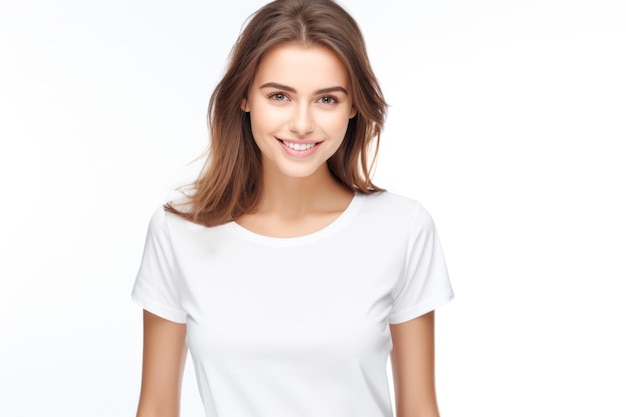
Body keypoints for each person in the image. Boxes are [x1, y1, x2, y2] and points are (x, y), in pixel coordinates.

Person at [131, 0, 454, 416]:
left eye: (327, 100)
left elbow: (420, 408)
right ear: (245, 97)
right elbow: (156, 407)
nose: (302, 123)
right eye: (280, 96)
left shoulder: (403, 228)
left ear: (354, 106)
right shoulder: (179, 231)